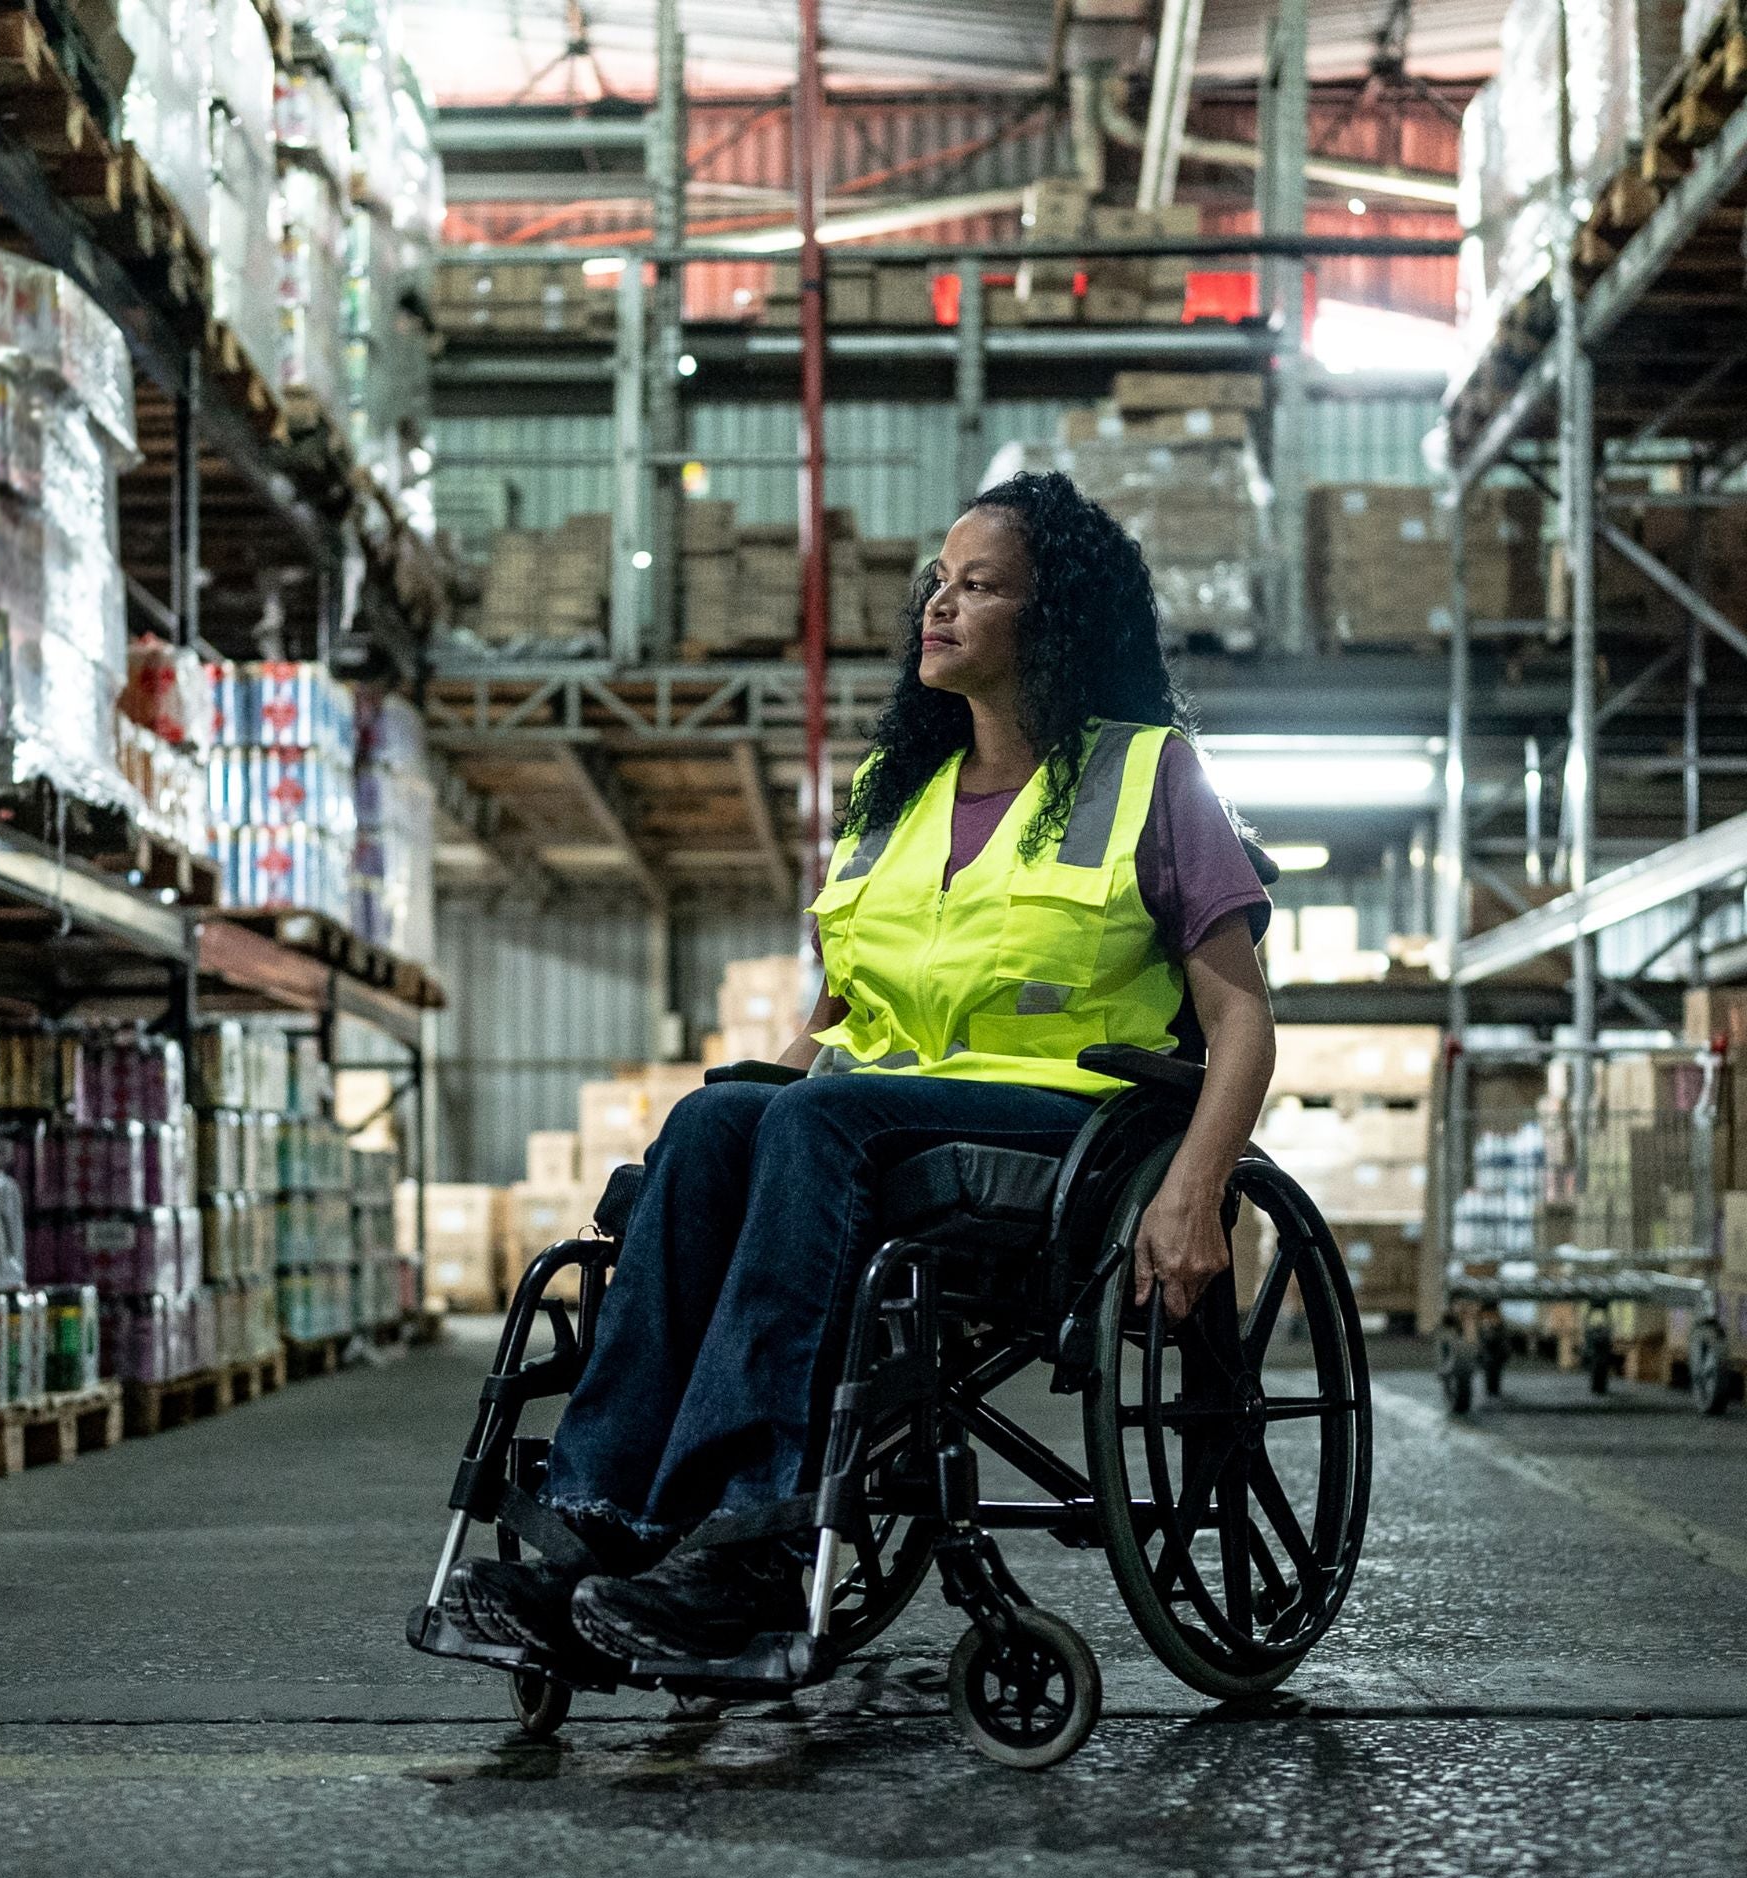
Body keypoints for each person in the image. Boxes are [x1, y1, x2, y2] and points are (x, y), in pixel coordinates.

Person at [443, 468, 1278, 1667]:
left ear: (1052, 618)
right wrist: (724, 1134)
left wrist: (1196, 1188)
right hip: (881, 1115)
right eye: (936, 583)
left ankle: (752, 1538)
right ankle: (594, 1530)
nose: (938, 605)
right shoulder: (891, 801)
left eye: (977, 586)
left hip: (1063, 1129)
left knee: (813, 1122)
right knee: (725, 1112)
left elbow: (1240, 1015)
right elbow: (829, 1023)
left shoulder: (1148, 776)